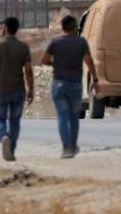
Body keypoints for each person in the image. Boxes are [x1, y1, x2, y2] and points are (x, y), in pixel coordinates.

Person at [42, 15, 98, 159]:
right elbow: (88, 60)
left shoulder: (55, 42)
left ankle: (66, 148)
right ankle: (73, 146)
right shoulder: (81, 42)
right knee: (74, 118)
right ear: (75, 28)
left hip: (59, 84)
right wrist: (95, 79)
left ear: (62, 27)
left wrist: (55, 64)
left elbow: (45, 60)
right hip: (75, 85)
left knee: (62, 116)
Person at [0, 16, 34, 162]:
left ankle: (3, 136)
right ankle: (11, 149)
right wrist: (31, 90)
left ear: (5, 28)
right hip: (18, 90)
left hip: (0, 90)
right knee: (15, 122)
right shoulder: (23, 47)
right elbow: (29, 70)